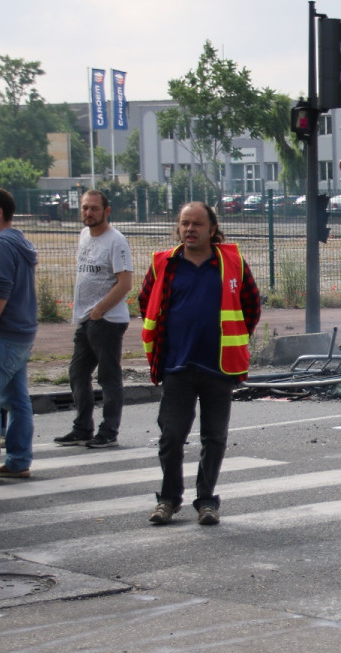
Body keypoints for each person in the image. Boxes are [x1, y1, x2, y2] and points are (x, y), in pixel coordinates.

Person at [139, 201, 260, 525]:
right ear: (178, 228)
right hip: (177, 365)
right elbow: (145, 302)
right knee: (171, 436)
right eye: (184, 223)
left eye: (196, 224)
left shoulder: (231, 263)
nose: (189, 229)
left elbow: (251, 305)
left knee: (214, 437)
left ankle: (207, 501)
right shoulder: (164, 264)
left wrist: (231, 336)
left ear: (212, 229)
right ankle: (168, 499)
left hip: (218, 367)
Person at [54, 190, 133, 449]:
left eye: (94, 209)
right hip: (86, 319)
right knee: (77, 373)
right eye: (85, 208)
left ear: (106, 211)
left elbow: (124, 284)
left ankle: (109, 430)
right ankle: (83, 427)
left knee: (108, 378)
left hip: (107, 320)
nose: (88, 213)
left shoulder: (116, 241)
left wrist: (99, 310)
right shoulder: (84, 236)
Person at [0, 188, 38, 482]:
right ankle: (18, 461)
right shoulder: (18, 240)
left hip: (2, 333)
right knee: (17, 399)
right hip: (23, 331)